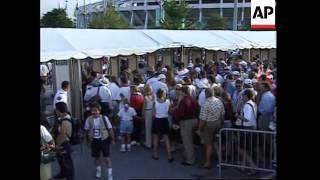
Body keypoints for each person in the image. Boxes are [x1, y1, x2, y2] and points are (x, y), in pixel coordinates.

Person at [84, 102, 115, 180]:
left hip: (104, 139)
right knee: (96, 157)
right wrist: (87, 140)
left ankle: (110, 174)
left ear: (99, 110)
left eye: (96, 110)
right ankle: (98, 171)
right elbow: (86, 130)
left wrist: (113, 139)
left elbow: (110, 129)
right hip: (94, 140)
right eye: (92, 110)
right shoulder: (89, 119)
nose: (94, 112)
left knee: (107, 158)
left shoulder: (104, 118)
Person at [198, 88, 225, 169]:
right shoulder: (218, 101)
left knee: (209, 145)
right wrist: (221, 124)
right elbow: (223, 113)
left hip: (209, 125)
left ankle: (208, 162)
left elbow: (203, 119)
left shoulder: (206, 104)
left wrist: (200, 129)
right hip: (218, 123)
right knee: (216, 143)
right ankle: (221, 161)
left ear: (206, 94)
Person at [172, 86, 199, 166]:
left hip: (186, 121)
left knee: (187, 141)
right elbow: (198, 109)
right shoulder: (193, 99)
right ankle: (188, 156)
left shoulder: (184, 100)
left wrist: (176, 116)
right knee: (190, 140)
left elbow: (181, 113)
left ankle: (190, 160)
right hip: (194, 120)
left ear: (183, 92)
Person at [53, 102, 74, 180]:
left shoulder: (66, 120)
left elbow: (62, 134)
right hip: (60, 143)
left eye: (56, 109)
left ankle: (70, 177)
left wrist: (57, 145)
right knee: (61, 161)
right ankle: (63, 174)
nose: (55, 111)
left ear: (59, 110)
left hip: (64, 144)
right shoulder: (61, 118)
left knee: (67, 163)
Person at [152, 89, 173, 162]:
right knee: (166, 138)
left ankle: (155, 154)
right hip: (165, 120)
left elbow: (153, 114)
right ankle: (169, 155)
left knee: (155, 137)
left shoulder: (155, 102)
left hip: (157, 120)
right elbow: (170, 111)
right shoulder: (168, 102)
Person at [142, 84, 154, 148]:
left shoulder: (145, 97)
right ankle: (152, 142)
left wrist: (143, 114)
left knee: (148, 128)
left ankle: (148, 144)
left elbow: (144, 107)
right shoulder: (153, 96)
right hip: (152, 111)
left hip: (147, 111)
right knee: (152, 128)